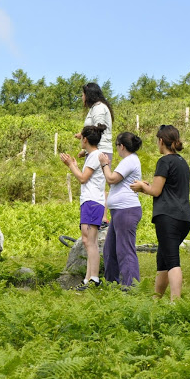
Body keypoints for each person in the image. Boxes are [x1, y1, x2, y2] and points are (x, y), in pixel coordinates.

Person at [131, 125, 190, 302]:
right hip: (184, 217)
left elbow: (156, 191)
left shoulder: (164, 161)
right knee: (163, 258)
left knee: (172, 259)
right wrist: (147, 187)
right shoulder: (182, 162)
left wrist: (142, 187)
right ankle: (156, 299)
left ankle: (175, 302)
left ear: (161, 141)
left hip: (168, 217)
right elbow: (168, 188)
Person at [60, 124, 107, 291]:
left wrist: (70, 165)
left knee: (90, 241)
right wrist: (75, 164)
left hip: (92, 202)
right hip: (90, 201)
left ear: (85, 139)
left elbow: (82, 178)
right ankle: (88, 279)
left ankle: (93, 278)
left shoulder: (94, 156)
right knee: (88, 241)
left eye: (81, 137)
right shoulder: (92, 156)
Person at [98, 132, 143, 288]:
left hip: (127, 210)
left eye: (117, 146)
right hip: (119, 211)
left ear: (121, 146)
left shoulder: (129, 161)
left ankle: (131, 286)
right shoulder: (128, 161)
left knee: (125, 250)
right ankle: (112, 283)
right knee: (110, 250)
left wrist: (104, 164)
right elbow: (114, 183)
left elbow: (111, 179)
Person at [75, 83, 114, 228]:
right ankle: (102, 217)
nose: (82, 97)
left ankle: (103, 218)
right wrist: (85, 150)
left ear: (89, 94)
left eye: (83, 94)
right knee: (98, 183)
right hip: (96, 149)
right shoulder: (97, 107)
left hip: (101, 149)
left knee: (98, 184)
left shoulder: (98, 108)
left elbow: (99, 128)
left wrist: (83, 136)